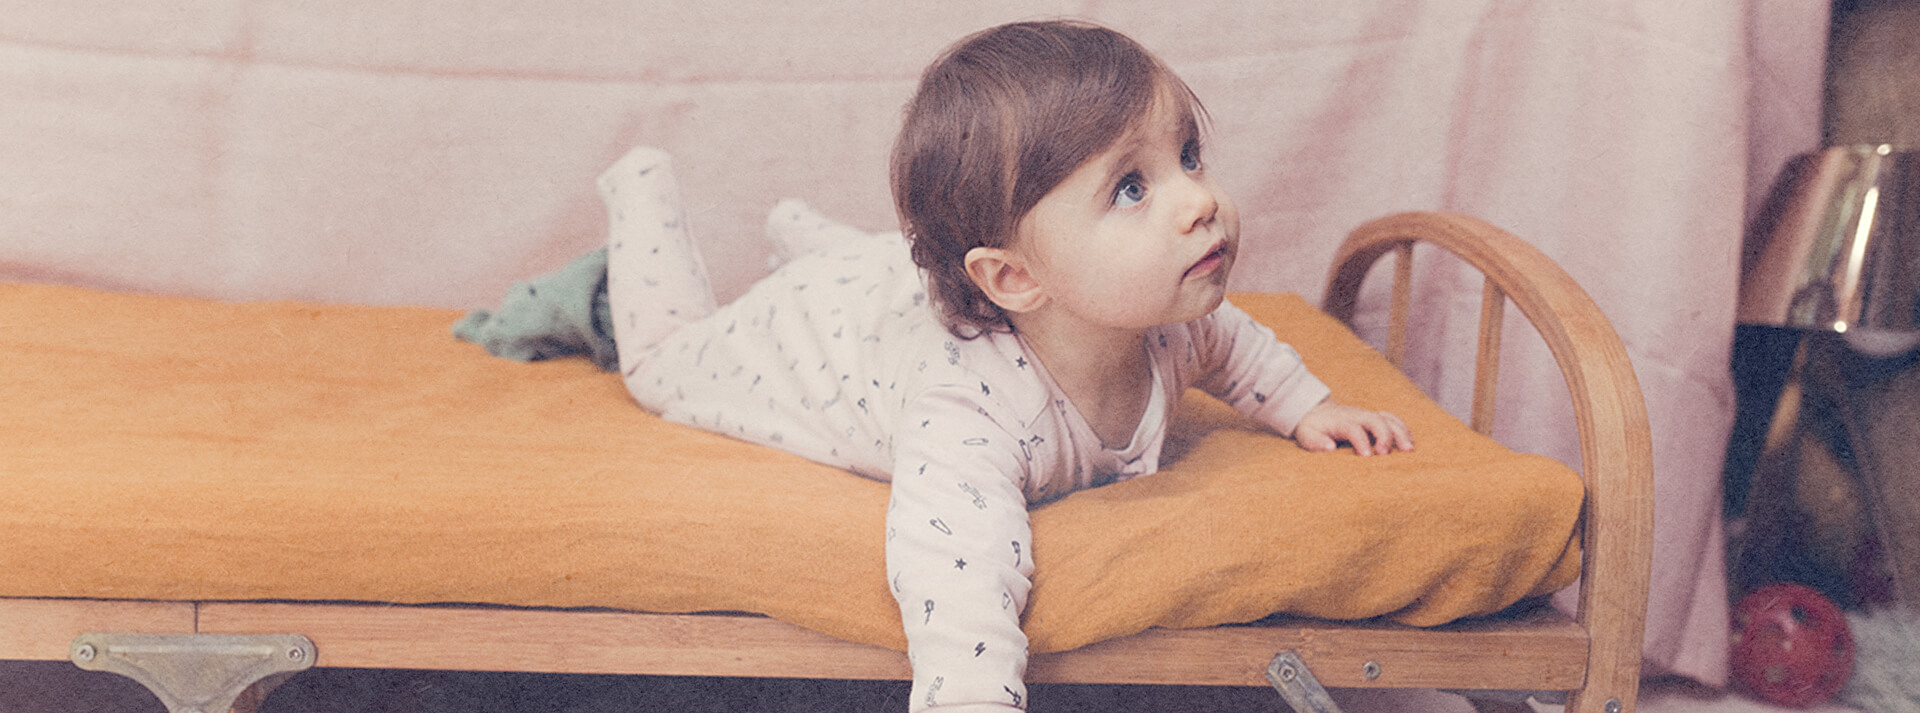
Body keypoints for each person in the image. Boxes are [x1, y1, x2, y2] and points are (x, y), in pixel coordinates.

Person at [602, 20, 1413, 712]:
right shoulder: (969, 413)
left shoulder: (1168, 321)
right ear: (1015, 278)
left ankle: (813, 235)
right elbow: (954, 575)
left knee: (891, 271)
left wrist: (1306, 406)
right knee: (659, 364)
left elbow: (1237, 347)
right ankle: (647, 190)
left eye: (1189, 155)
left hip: (897, 288)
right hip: (817, 331)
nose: (1198, 200)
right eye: (1132, 188)